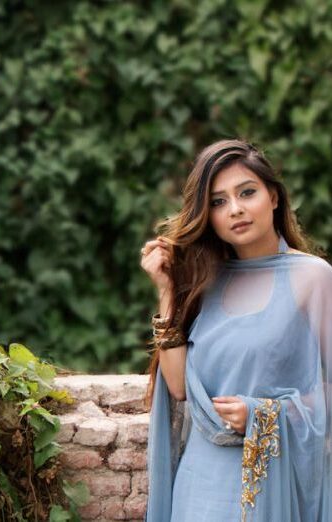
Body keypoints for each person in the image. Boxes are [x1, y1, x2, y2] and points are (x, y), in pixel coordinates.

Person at [139, 139, 332, 521]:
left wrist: (264, 414)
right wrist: (166, 290)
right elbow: (179, 388)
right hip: (199, 485)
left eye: (247, 193)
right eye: (218, 201)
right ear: (206, 215)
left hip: (268, 486)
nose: (236, 209)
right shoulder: (205, 281)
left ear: (274, 197)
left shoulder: (313, 278)